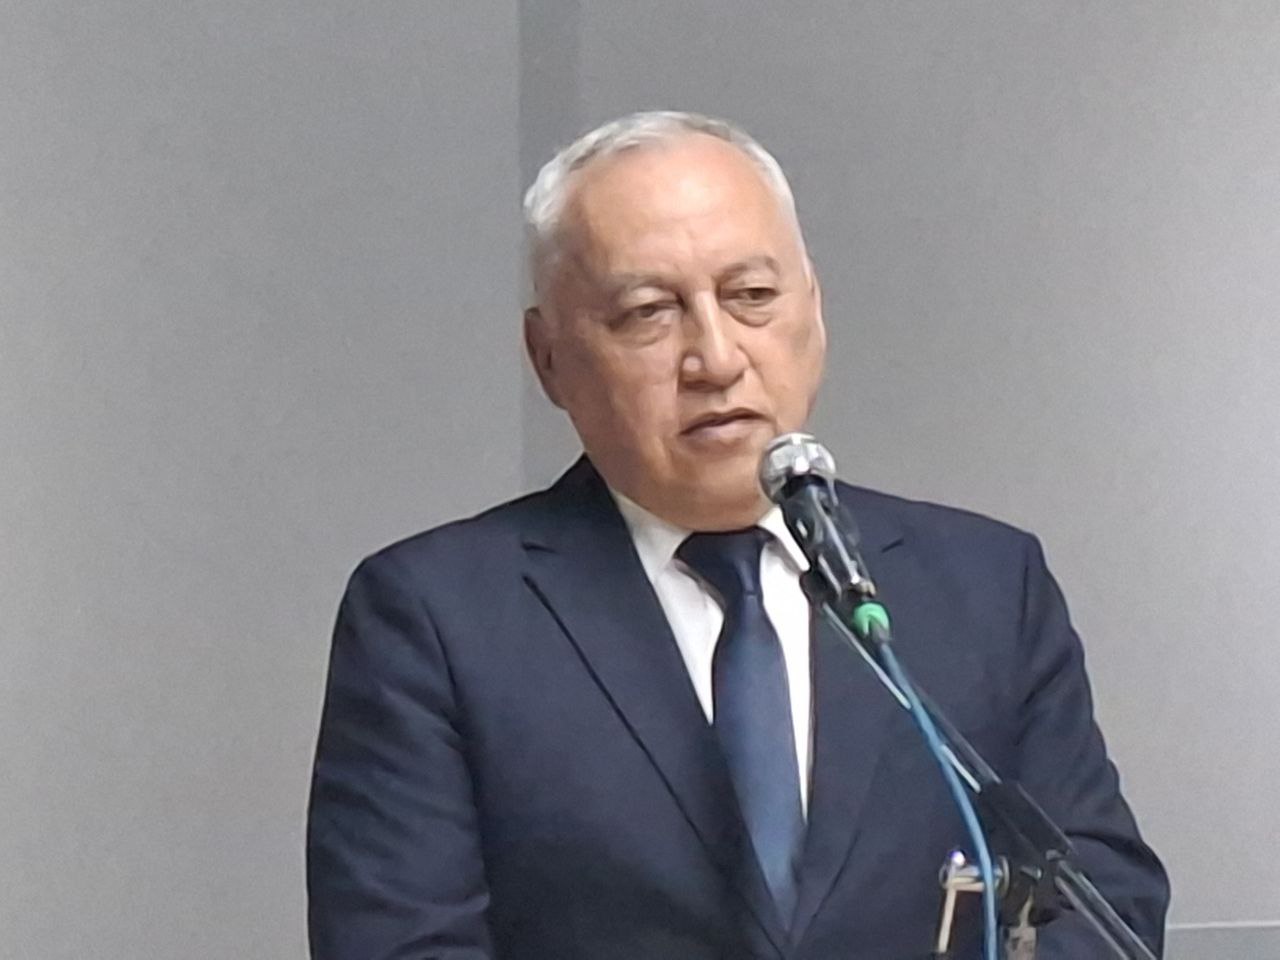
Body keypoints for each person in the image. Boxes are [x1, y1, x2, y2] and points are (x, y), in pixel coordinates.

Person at [307, 111, 1169, 959]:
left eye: (752, 297)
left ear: (815, 312)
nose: (716, 359)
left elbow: (1104, 905)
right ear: (550, 357)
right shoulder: (437, 618)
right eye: (648, 311)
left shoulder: (985, 586)